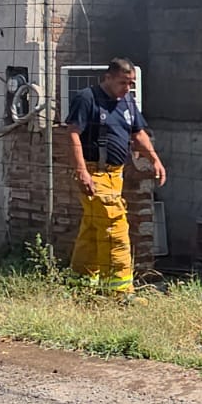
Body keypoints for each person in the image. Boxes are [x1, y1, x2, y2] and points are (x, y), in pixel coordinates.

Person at [63, 58, 166, 292]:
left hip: (115, 176)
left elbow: (137, 133)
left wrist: (155, 160)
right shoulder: (87, 98)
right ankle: (119, 292)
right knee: (114, 228)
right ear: (107, 78)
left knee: (93, 228)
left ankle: (80, 283)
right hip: (95, 173)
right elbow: (73, 134)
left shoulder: (127, 101)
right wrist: (81, 171)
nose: (127, 88)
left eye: (131, 83)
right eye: (123, 83)